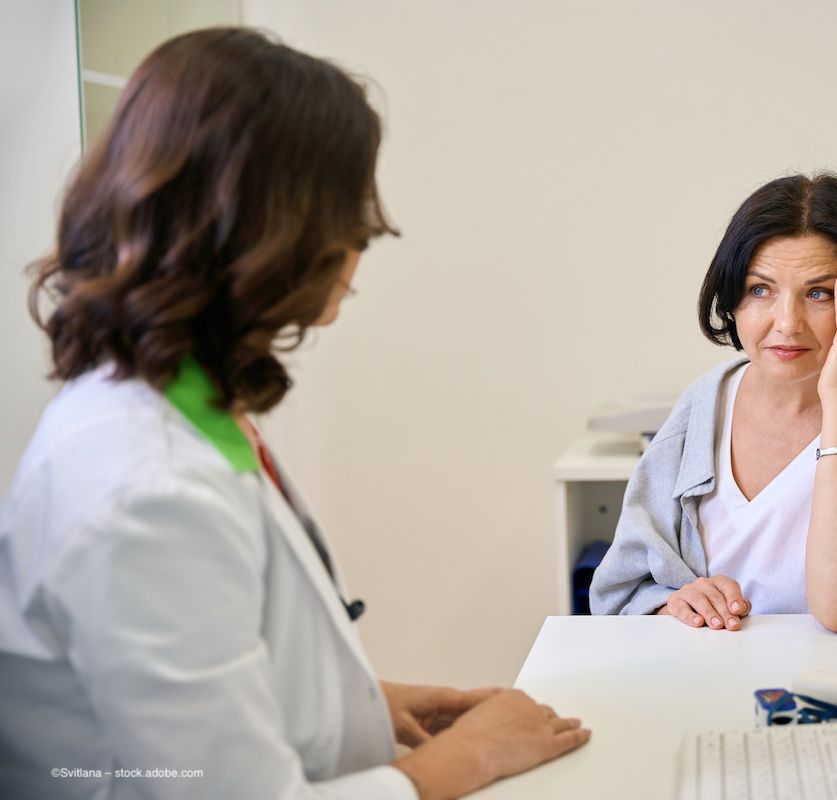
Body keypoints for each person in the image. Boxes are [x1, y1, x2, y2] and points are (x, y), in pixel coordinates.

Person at [0, 28, 587, 800]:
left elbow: (198, 677)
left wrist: (358, 703)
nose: (367, 234)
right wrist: (471, 757)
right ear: (273, 222)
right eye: (348, 204)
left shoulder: (180, 408)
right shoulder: (147, 489)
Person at [589, 174, 837, 633]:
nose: (787, 323)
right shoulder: (705, 400)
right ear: (731, 300)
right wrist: (674, 603)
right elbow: (623, 590)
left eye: (818, 294)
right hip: (719, 678)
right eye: (760, 290)